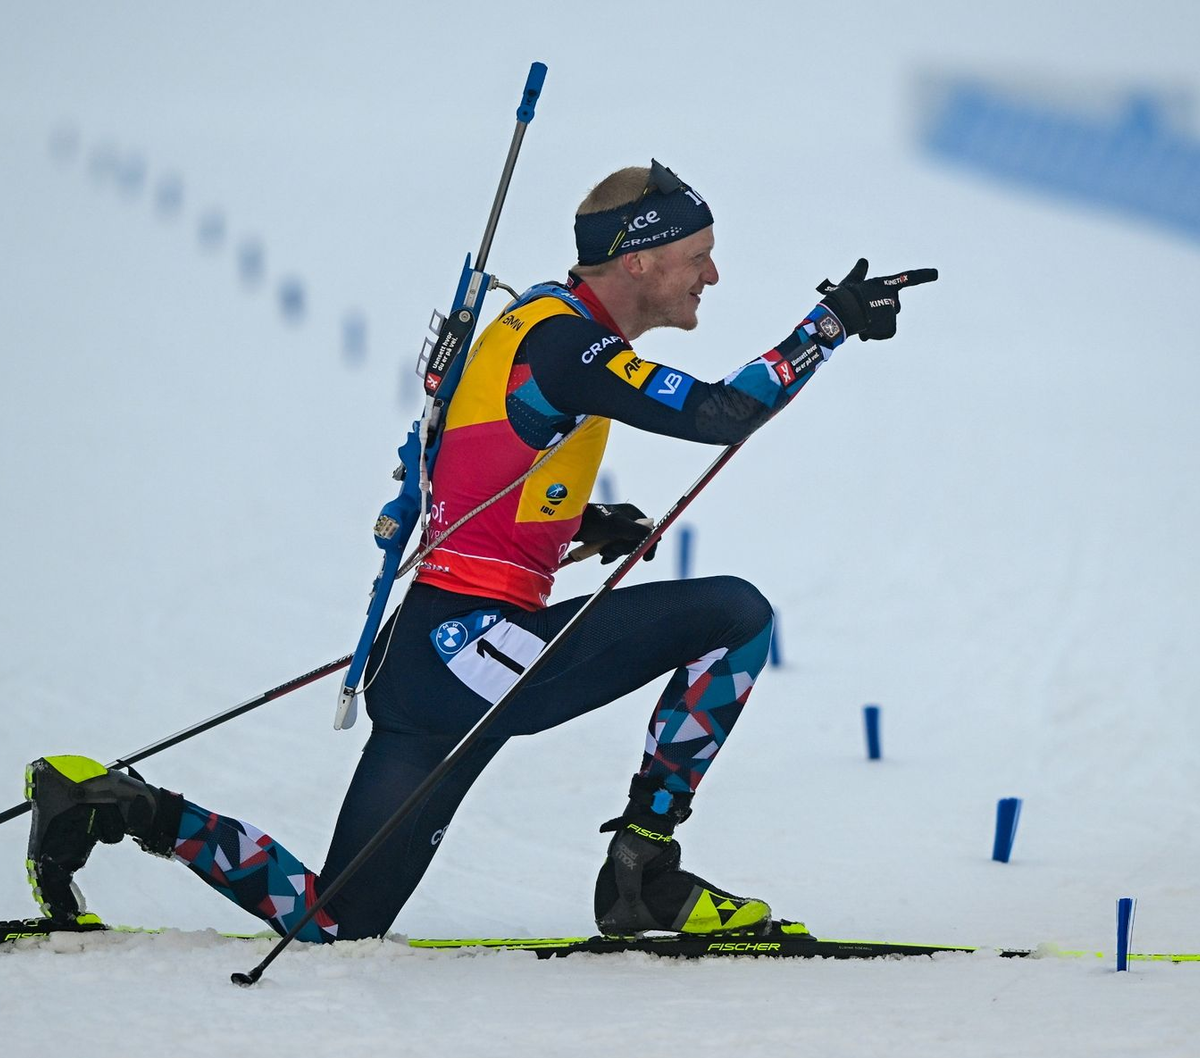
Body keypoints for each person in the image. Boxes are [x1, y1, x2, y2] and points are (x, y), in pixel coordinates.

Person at [25, 161, 936, 942]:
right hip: (477, 647)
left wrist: (579, 525)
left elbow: (474, 467)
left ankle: (116, 805)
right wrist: (829, 324)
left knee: (336, 922)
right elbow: (718, 413)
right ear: (640, 258)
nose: (713, 274)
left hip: (430, 656)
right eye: (697, 256)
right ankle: (643, 871)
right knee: (735, 617)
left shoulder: (536, 324)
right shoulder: (568, 343)